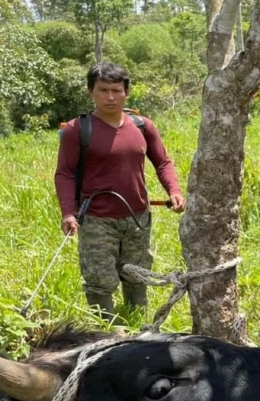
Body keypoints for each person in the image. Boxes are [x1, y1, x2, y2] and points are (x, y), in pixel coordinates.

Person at [54, 62, 185, 318]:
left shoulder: (142, 126)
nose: (110, 97)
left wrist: (174, 190)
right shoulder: (77, 130)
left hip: (137, 217)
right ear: (91, 91)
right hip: (96, 219)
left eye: (116, 90)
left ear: (127, 92)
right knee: (99, 281)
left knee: (137, 275)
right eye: (103, 90)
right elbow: (65, 173)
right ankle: (106, 336)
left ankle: (139, 330)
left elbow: (162, 161)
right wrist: (68, 213)